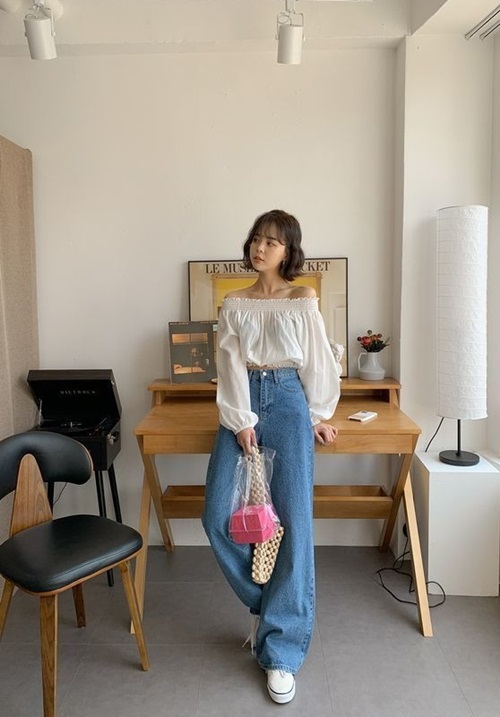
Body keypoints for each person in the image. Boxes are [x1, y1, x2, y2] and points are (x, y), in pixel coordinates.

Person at [202, 209, 340, 704]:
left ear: (288, 251)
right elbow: (228, 363)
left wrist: (317, 414)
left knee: (293, 522)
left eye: (272, 242)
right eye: (256, 239)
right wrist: (241, 420)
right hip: (243, 402)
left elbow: (318, 360)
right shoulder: (235, 302)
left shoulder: (302, 298)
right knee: (217, 514)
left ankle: (281, 653)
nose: (260, 248)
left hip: (288, 400)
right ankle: (270, 604)